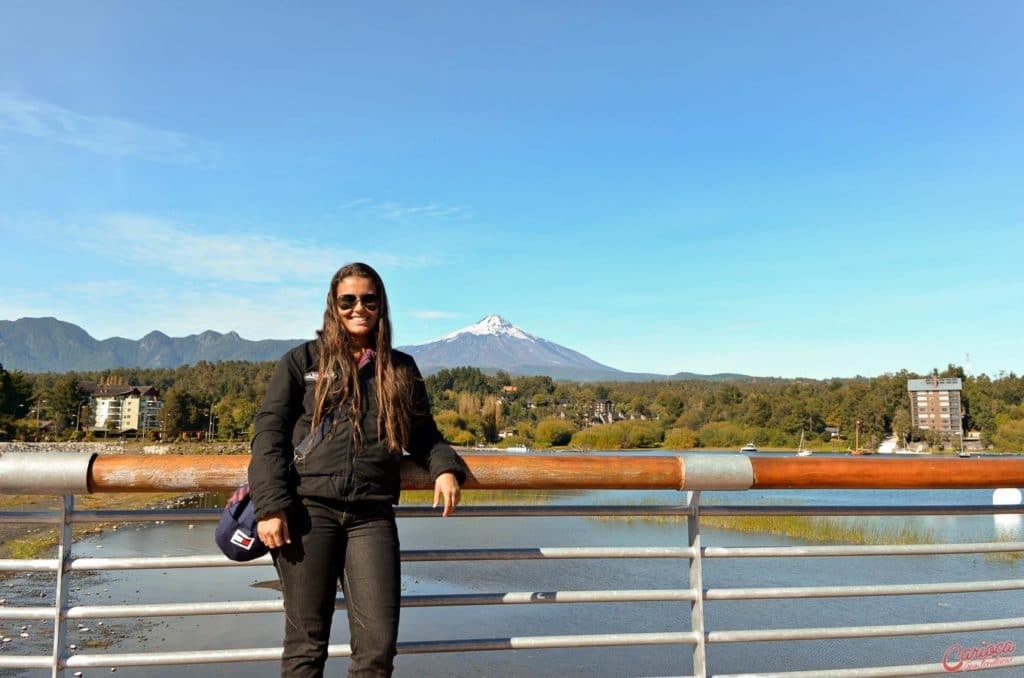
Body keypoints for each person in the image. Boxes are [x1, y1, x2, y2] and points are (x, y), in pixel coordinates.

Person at [248, 262, 466, 677]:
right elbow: (268, 436)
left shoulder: (400, 368)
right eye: (348, 300)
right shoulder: (301, 362)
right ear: (334, 305)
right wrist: (271, 506)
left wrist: (443, 468)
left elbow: (423, 435)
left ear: (381, 305)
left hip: (372, 515)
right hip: (306, 514)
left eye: (368, 299)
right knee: (305, 647)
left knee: (377, 649)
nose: (358, 308)